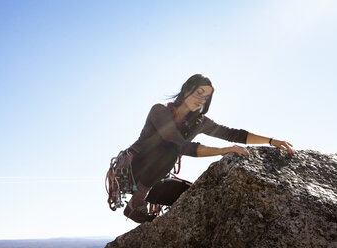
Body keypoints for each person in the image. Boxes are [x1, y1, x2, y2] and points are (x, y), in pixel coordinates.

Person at [123, 74, 294, 223]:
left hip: (154, 180)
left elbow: (232, 134)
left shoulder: (199, 122)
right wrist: (222, 150)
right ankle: (135, 205)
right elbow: (179, 145)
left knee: (191, 196)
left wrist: (271, 141)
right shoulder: (159, 110)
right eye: (199, 92)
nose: (201, 99)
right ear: (186, 88)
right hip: (133, 171)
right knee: (171, 148)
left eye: (206, 97)